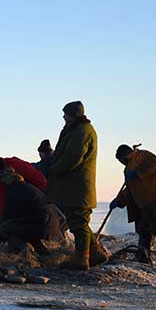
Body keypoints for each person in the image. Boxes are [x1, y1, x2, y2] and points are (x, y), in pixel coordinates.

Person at [45, 100, 104, 270]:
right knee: (78, 221)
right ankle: (96, 253)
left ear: (73, 115)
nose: (63, 117)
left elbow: (73, 157)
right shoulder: (74, 130)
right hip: (71, 186)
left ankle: (82, 259)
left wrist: (54, 169)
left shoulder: (83, 131)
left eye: (66, 114)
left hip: (78, 186)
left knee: (79, 222)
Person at [111, 145, 156, 269]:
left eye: (122, 159)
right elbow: (130, 190)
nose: (122, 162)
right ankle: (143, 257)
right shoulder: (128, 168)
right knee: (143, 229)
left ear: (126, 155)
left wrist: (137, 173)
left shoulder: (144, 157)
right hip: (146, 205)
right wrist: (118, 201)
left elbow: (151, 167)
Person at [0, 166, 61, 254]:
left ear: (7, 180)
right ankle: (42, 252)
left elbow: (8, 215)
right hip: (51, 225)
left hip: (41, 225)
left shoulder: (14, 190)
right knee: (26, 227)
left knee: (6, 228)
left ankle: (23, 253)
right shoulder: (27, 187)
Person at [0, 153, 46, 219]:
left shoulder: (15, 164)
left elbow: (35, 176)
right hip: (22, 196)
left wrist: (45, 193)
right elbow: (2, 194)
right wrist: (1, 216)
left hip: (37, 193)